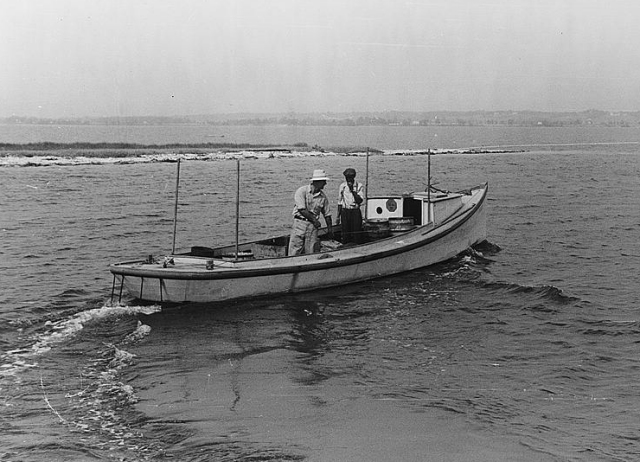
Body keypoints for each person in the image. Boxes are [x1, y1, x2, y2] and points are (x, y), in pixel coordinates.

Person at [288, 169, 334, 256]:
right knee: (295, 250)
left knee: (311, 251)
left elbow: (327, 215)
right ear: (318, 182)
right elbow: (302, 209)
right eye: (324, 181)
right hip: (299, 223)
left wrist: (330, 230)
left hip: (312, 227)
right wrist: (314, 220)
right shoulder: (301, 191)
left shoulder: (323, 197)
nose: (325, 184)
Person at [337, 168, 364, 244]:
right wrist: (338, 217)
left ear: (353, 177)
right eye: (347, 178)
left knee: (356, 232)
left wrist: (352, 190)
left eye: (350, 178)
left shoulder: (359, 186)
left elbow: (360, 200)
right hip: (345, 211)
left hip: (355, 211)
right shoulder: (342, 186)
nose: (348, 180)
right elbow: (339, 202)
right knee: (345, 233)